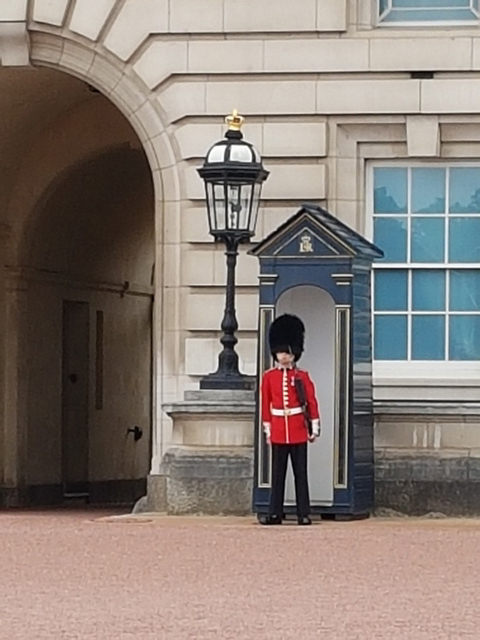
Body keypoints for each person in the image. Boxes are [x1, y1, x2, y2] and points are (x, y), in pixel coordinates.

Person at [259, 314, 321, 526]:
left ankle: (304, 513)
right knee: (277, 475)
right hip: (278, 429)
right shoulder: (269, 377)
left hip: (297, 428)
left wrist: (314, 426)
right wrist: (268, 429)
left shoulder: (302, 376)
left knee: (300, 474)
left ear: (294, 353)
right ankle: (275, 513)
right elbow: (266, 403)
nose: (284, 356)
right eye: (280, 352)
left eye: (287, 352)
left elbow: (311, 401)